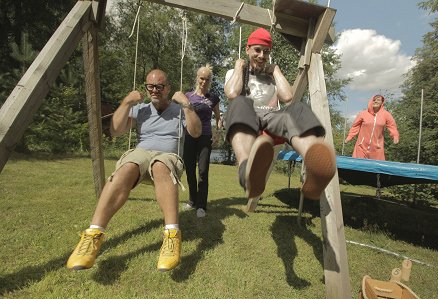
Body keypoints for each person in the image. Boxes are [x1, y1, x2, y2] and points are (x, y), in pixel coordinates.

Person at [66, 69, 201, 272]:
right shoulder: (141, 109)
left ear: (168, 88)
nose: (155, 90)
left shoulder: (179, 110)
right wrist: (127, 102)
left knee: (160, 166)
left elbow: (196, 132)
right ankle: (93, 234)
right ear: (146, 87)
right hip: (141, 152)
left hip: (167, 156)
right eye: (151, 86)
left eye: (159, 86)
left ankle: (172, 236)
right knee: (126, 167)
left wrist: (188, 105)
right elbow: (115, 130)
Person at [224, 27, 336, 201]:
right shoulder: (235, 73)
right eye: (257, 50)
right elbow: (231, 93)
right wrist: (239, 66)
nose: (262, 55)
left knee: (297, 108)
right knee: (239, 102)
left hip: (271, 120)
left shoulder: (272, 76)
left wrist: (276, 71)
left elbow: (288, 97)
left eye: (266, 52)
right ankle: (247, 170)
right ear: (247, 49)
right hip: (247, 119)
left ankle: (315, 163)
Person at [183, 64, 221, 218]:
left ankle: (201, 206)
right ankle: (192, 200)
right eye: (201, 78)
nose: (204, 81)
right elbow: (180, 115)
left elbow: (219, 119)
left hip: (205, 136)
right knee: (190, 170)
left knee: (203, 171)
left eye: (207, 79)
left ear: (210, 80)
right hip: (189, 136)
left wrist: (218, 133)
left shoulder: (213, 98)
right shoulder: (187, 96)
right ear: (197, 78)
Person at [345, 94, 399, 160]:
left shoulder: (386, 115)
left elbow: (392, 126)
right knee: (357, 166)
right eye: (374, 100)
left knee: (376, 168)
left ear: (382, 102)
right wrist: (349, 136)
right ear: (371, 101)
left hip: (377, 148)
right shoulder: (363, 114)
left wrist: (395, 136)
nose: (375, 101)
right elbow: (355, 126)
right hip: (361, 146)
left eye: (378, 100)